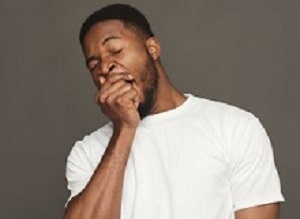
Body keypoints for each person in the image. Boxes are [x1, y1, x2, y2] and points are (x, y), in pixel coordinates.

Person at [64, 3, 284, 219]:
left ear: (152, 49)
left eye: (116, 51)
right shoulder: (88, 152)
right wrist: (124, 130)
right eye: (94, 65)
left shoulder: (235, 128)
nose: (104, 68)